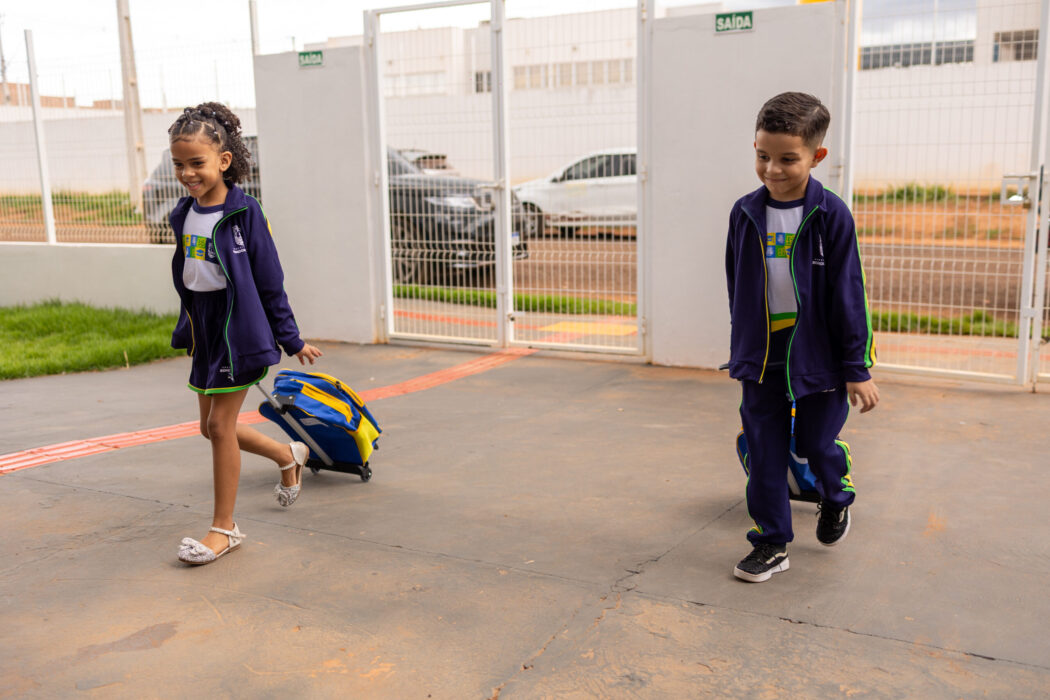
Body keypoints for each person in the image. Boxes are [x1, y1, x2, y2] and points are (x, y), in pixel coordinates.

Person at [724, 92, 879, 583]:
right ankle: (771, 543)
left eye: (787, 159)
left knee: (815, 442)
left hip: (819, 356)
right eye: (762, 155)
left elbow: (848, 293)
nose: (772, 169)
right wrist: (743, 347)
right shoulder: (744, 213)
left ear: (817, 156)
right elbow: (738, 287)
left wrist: (856, 368)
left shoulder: (831, 214)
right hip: (764, 354)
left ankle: (836, 496)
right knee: (764, 449)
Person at [167, 102, 323, 566]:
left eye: (196, 163)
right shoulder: (183, 212)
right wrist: (190, 326)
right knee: (210, 428)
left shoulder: (245, 212)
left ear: (223, 160)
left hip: (240, 329)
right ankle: (287, 454)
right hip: (205, 328)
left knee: (219, 427)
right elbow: (194, 277)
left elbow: (269, 278)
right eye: (179, 164)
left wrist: (290, 338)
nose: (187, 173)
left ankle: (224, 528)